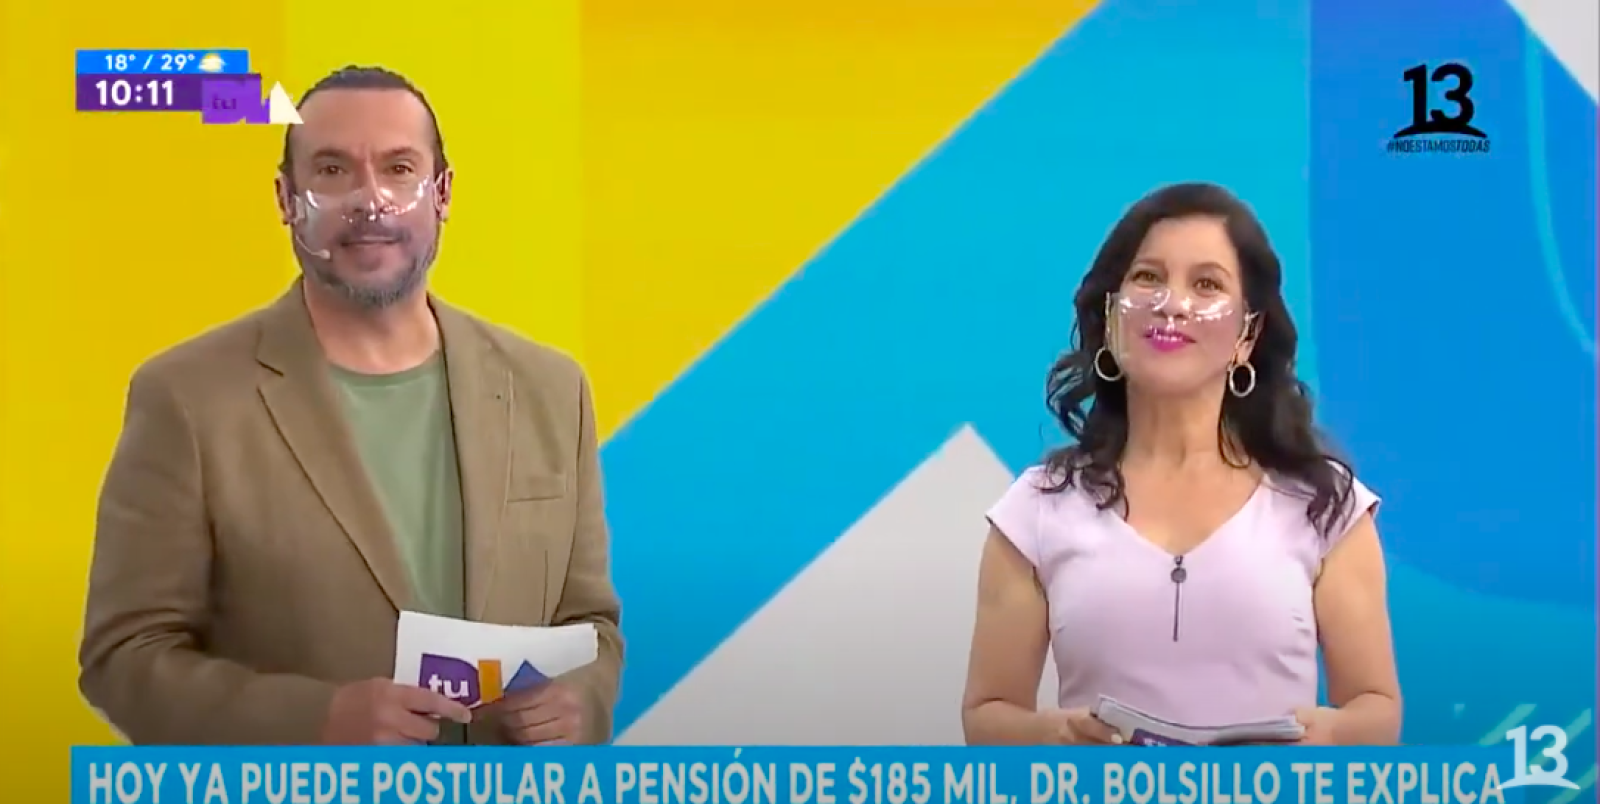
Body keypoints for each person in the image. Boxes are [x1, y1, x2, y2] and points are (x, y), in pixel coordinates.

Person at [78, 66, 623, 746]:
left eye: (399, 169)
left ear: (443, 193)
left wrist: (581, 702)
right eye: (333, 171)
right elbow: (125, 657)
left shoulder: (551, 389)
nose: (371, 200)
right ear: (286, 198)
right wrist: (317, 721)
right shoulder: (186, 399)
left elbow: (591, 627)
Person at [960, 182, 1400, 746]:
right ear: (1111, 315)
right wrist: (1059, 735)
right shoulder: (1037, 509)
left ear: (1247, 335)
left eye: (1207, 284)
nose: (1173, 304)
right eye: (1148, 278)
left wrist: (1329, 736)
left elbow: (1376, 709)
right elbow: (988, 715)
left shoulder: (1325, 504)